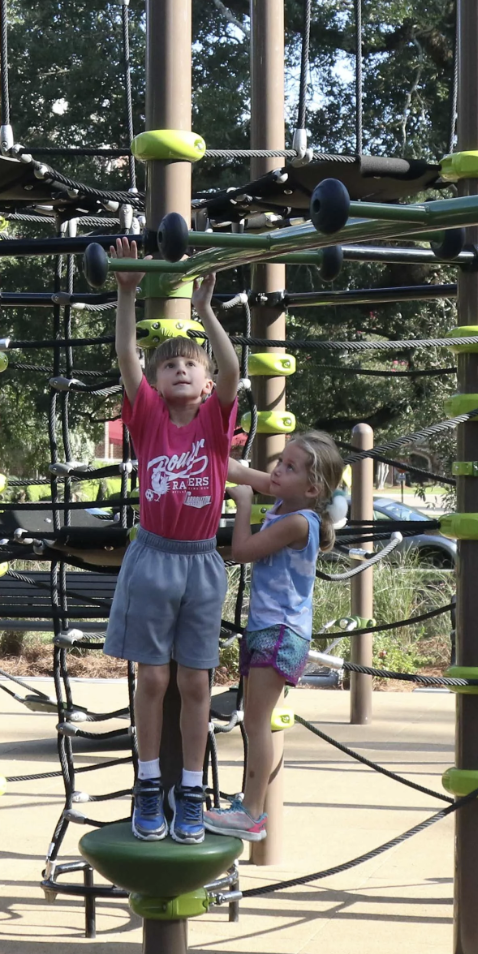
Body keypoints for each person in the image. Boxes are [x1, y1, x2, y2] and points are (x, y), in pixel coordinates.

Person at [106, 240, 240, 844]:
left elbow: (234, 371)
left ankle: (191, 788)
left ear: (207, 385)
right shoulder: (151, 418)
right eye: (170, 365)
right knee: (153, 681)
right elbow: (127, 358)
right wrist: (128, 293)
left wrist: (207, 310)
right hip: (154, 557)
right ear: (158, 385)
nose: (180, 368)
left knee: (194, 685)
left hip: (201, 562)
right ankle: (147, 783)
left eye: (191, 365)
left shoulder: (215, 422)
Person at [205, 432, 344, 842]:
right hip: (269, 628)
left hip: (279, 632)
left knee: (257, 723)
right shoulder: (287, 507)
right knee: (254, 719)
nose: (277, 470)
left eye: (289, 467)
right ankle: (249, 805)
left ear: (312, 487)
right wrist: (204, 446)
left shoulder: (298, 521)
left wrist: (244, 504)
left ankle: (251, 812)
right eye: (279, 462)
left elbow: (244, 551)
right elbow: (235, 469)